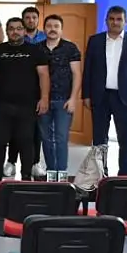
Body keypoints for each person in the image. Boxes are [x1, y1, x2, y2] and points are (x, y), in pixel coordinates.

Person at [83, 6, 127, 176]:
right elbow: (88, 69)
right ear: (106, 21)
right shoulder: (95, 41)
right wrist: (86, 95)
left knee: (125, 140)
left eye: (119, 19)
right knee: (99, 140)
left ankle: (125, 176)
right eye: (111, 19)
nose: (115, 22)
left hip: (125, 98)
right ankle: (100, 173)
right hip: (100, 96)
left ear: (125, 22)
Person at [0, 18, 49, 185]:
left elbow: (44, 75)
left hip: (27, 105)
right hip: (2, 105)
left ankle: (26, 176)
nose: (15, 32)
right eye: (11, 29)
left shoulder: (35, 50)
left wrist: (44, 98)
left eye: (18, 28)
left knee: (26, 141)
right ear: (7, 31)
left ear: (24, 31)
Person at [5, 6, 47, 178]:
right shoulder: (17, 39)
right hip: (17, 90)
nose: (31, 20)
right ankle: (11, 161)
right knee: (15, 130)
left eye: (34, 17)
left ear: (38, 19)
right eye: (27, 18)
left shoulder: (45, 38)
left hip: (36, 91)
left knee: (34, 131)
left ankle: (35, 163)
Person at [39, 15, 81, 178]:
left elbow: (77, 74)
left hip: (64, 100)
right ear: (44, 29)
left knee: (61, 138)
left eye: (56, 26)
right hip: (43, 101)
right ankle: (51, 172)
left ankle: (62, 173)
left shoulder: (70, 48)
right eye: (49, 26)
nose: (52, 29)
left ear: (61, 29)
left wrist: (73, 98)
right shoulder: (37, 49)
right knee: (46, 138)